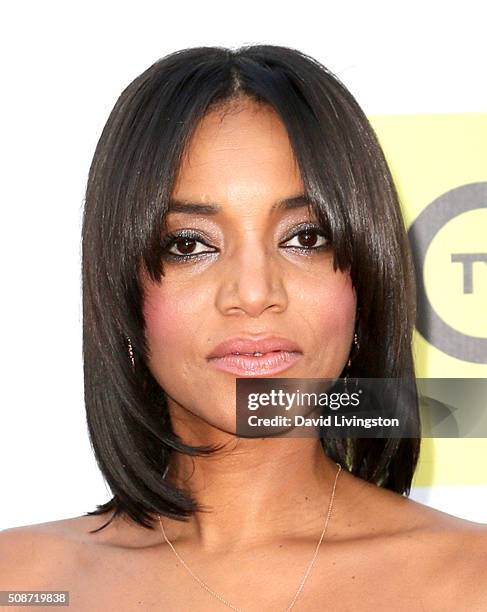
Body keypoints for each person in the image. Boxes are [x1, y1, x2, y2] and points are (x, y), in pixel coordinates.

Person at [1, 44, 486, 611]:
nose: (254, 294)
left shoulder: (470, 580)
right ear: (123, 292)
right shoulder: (23, 583)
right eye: (189, 245)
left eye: (305, 238)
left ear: (366, 279)